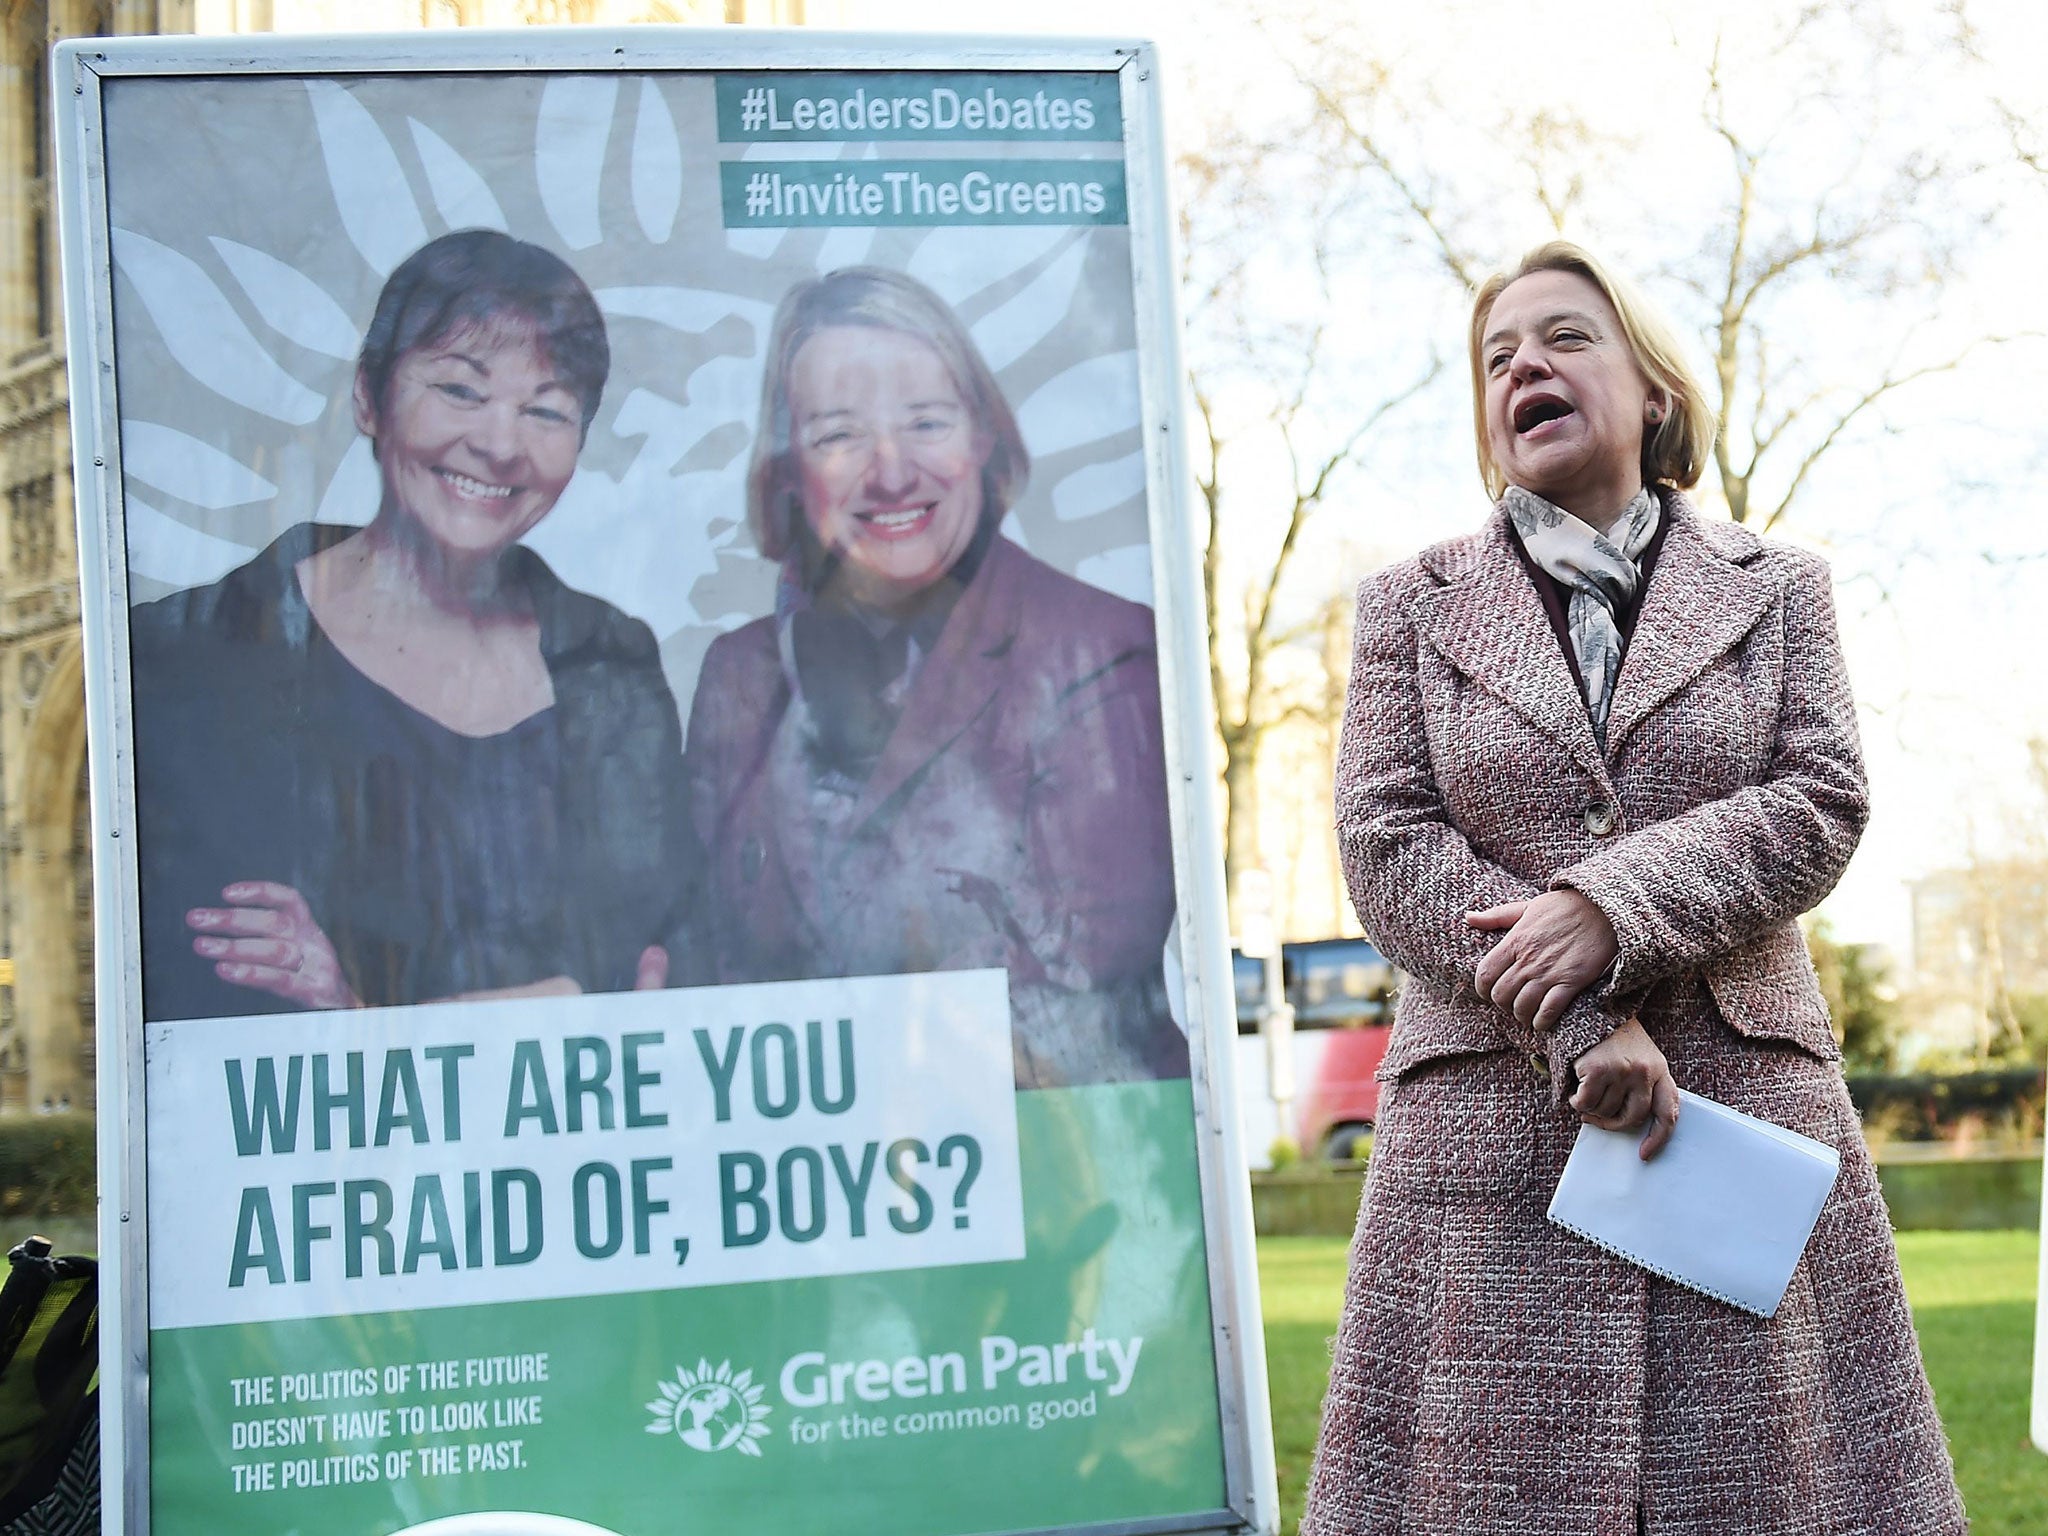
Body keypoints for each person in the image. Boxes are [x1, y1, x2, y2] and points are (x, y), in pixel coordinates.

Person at [1302, 242, 1963, 1534]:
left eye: (1565, 338)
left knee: (1767, 1497)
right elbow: (1386, 844)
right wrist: (1581, 1013)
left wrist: (1614, 905)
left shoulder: (1780, 591)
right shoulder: (1407, 606)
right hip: (1489, 1137)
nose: (1525, 368)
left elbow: (1820, 800)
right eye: (1498, 358)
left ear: (1654, 390)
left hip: (1744, 1121)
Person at [131, 230, 694, 1022]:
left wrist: (363, 1013)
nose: (500, 444)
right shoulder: (193, 653)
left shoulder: (612, 663)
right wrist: (555, 999)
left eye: (545, 410)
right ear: (368, 396)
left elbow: (656, 966)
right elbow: (206, 988)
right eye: (459, 391)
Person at [684, 265, 1183, 1090]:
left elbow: (1071, 976)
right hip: (814, 1180)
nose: (890, 472)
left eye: (927, 421)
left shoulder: (1100, 649)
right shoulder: (738, 676)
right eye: (838, 434)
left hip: (1061, 1177)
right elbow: (701, 960)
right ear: (787, 467)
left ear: (983, 437)